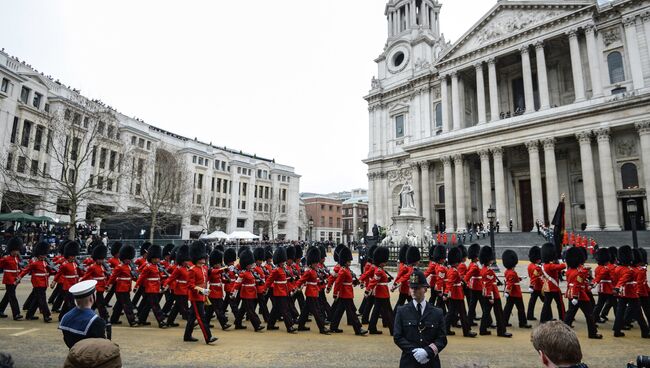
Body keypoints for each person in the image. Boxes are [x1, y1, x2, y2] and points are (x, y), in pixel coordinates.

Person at [394, 269, 447, 368]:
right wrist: (415, 352)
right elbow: (398, 336)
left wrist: (427, 352)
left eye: (417, 288)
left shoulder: (437, 312)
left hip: (430, 362)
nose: (413, 290)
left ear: (425, 289)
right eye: (411, 287)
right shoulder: (401, 311)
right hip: (409, 361)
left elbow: (442, 339)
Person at [563, 246, 601, 339]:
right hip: (579, 295)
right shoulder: (580, 271)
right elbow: (577, 284)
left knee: (570, 314)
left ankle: (562, 331)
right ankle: (592, 333)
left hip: (571, 293)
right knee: (589, 314)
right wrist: (576, 296)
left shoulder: (569, 271)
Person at [328, 245, 368, 336]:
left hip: (347, 292)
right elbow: (338, 282)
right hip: (345, 293)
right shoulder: (342, 270)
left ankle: (333, 327)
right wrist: (335, 293)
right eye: (348, 261)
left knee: (339, 311)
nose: (350, 263)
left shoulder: (347, 269)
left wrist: (355, 282)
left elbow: (349, 281)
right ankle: (358, 329)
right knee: (352, 312)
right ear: (344, 261)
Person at [184, 241, 218, 344]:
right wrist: (202, 290)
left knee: (192, 317)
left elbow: (209, 275)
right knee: (201, 317)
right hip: (196, 297)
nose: (204, 258)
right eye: (202, 257)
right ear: (197, 257)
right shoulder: (192, 270)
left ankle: (187, 336)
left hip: (202, 296)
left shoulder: (204, 268)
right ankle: (208, 337)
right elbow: (190, 285)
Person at [613, 245, 649, 338]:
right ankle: (645, 331)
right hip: (631, 292)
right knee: (639, 313)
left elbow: (617, 279)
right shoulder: (630, 270)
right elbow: (623, 280)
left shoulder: (617, 268)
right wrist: (617, 287)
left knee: (620, 311)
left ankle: (617, 330)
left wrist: (617, 288)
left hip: (622, 293)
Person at [58, 280, 107, 349]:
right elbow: (100, 346)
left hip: (73, 354)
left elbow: (67, 340)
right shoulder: (96, 321)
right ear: (91, 298)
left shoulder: (66, 317)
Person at [16, 241, 54, 322]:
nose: (44, 256)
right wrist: (19, 277)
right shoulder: (34, 262)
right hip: (37, 282)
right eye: (43, 254)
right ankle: (46, 316)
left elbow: (49, 271)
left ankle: (29, 315)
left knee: (37, 299)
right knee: (42, 300)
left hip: (44, 282)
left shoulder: (44, 261)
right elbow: (26, 270)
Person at [296, 246, 330, 334]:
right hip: (311, 293)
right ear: (311, 263)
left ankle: (300, 326)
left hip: (314, 291)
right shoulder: (309, 271)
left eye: (316, 262)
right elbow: (301, 280)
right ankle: (322, 328)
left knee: (305, 311)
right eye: (315, 263)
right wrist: (296, 287)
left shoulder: (315, 271)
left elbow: (316, 281)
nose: (316, 264)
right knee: (317, 311)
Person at [478, 246, 511, 337]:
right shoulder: (488, 271)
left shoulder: (483, 269)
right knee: (499, 313)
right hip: (493, 295)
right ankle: (501, 331)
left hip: (486, 294)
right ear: (489, 259)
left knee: (486, 313)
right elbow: (489, 285)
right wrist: (491, 297)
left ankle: (483, 330)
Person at [444, 246, 476, 337]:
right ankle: (466, 331)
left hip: (454, 294)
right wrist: (446, 292)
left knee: (451, 313)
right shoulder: (453, 271)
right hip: (457, 294)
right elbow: (450, 283)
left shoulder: (452, 270)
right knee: (462, 313)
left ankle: (445, 329)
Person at [231, 248, 265, 332]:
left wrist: (260, 282)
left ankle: (237, 323)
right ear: (246, 265)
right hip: (246, 293)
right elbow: (237, 283)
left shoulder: (251, 272)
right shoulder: (243, 273)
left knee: (243, 309)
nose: (252, 265)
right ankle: (257, 325)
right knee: (251, 310)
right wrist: (233, 293)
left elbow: (253, 281)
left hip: (252, 293)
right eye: (250, 264)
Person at [134, 244, 167, 328]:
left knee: (148, 305)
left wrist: (162, 286)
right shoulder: (148, 267)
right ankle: (161, 321)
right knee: (156, 306)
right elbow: (141, 277)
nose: (157, 260)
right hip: (150, 289)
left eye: (158, 258)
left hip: (155, 288)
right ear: (151, 258)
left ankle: (141, 319)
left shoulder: (156, 266)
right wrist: (136, 286)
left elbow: (158, 278)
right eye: (155, 258)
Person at [366, 246, 394, 335]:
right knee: (388, 312)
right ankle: (393, 330)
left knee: (376, 311)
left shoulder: (380, 270)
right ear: (381, 261)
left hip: (380, 292)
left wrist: (387, 279)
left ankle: (372, 328)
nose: (385, 263)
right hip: (382, 293)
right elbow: (374, 281)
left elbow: (380, 280)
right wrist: (368, 290)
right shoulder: (379, 271)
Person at [501, 249, 531, 329]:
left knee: (508, 308)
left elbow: (513, 280)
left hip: (511, 293)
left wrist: (520, 278)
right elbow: (511, 283)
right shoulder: (512, 272)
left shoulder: (508, 271)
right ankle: (523, 322)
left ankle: (504, 321)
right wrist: (507, 291)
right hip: (515, 293)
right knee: (521, 309)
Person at [540, 242, 566, 323]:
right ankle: (563, 319)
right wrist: (562, 260)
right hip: (554, 288)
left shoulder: (544, 266)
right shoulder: (550, 265)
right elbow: (563, 266)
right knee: (560, 305)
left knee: (546, 305)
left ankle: (543, 319)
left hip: (548, 288)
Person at [0, 237, 24, 320]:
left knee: (8, 296)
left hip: (15, 279)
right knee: (12, 296)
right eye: (15, 250)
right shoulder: (6, 258)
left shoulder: (17, 258)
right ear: (11, 250)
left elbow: (19, 268)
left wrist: (19, 277)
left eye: (17, 250)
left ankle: (0, 310)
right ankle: (16, 314)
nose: (17, 252)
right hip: (9, 279)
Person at [526, 246, 544, 321]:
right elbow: (537, 277)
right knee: (546, 302)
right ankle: (548, 316)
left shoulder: (530, 266)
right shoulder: (537, 268)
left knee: (532, 302)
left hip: (534, 287)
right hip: (539, 287)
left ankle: (529, 315)